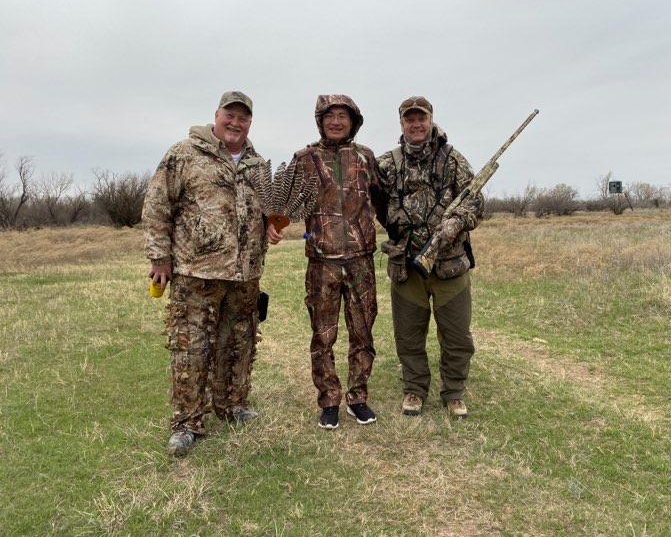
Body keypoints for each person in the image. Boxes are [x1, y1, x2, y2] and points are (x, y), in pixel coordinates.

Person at [142, 91, 283, 455]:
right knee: (191, 348)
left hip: (245, 274)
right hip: (195, 273)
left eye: (243, 118)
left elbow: (265, 211)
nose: (236, 123)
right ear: (216, 116)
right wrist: (159, 258)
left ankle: (232, 407)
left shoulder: (258, 165)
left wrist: (270, 226)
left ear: (250, 122)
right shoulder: (184, 154)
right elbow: (157, 206)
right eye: (230, 116)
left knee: (238, 344)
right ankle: (186, 422)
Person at [376, 96, 483, 418]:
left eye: (421, 118)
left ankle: (453, 392)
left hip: (450, 266)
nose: (416, 124)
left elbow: (476, 201)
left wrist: (456, 222)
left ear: (431, 120)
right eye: (409, 119)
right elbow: (369, 201)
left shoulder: (453, 159)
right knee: (408, 335)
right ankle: (414, 389)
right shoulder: (386, 164)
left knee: (457, 335)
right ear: (401, 124)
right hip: (407, 267)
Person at [287, 94, 381, 429]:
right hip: (322, 263)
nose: (337, 121)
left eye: (344, 116)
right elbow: (286, 206)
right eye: (330, 116)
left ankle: (358, 398)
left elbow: (383, 202)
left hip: (360, 262)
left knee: (362, 331)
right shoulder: (304, 159)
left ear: (354, 121)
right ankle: (329, 400)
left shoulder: (366, 158)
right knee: (323, 335)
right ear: (320, 120)